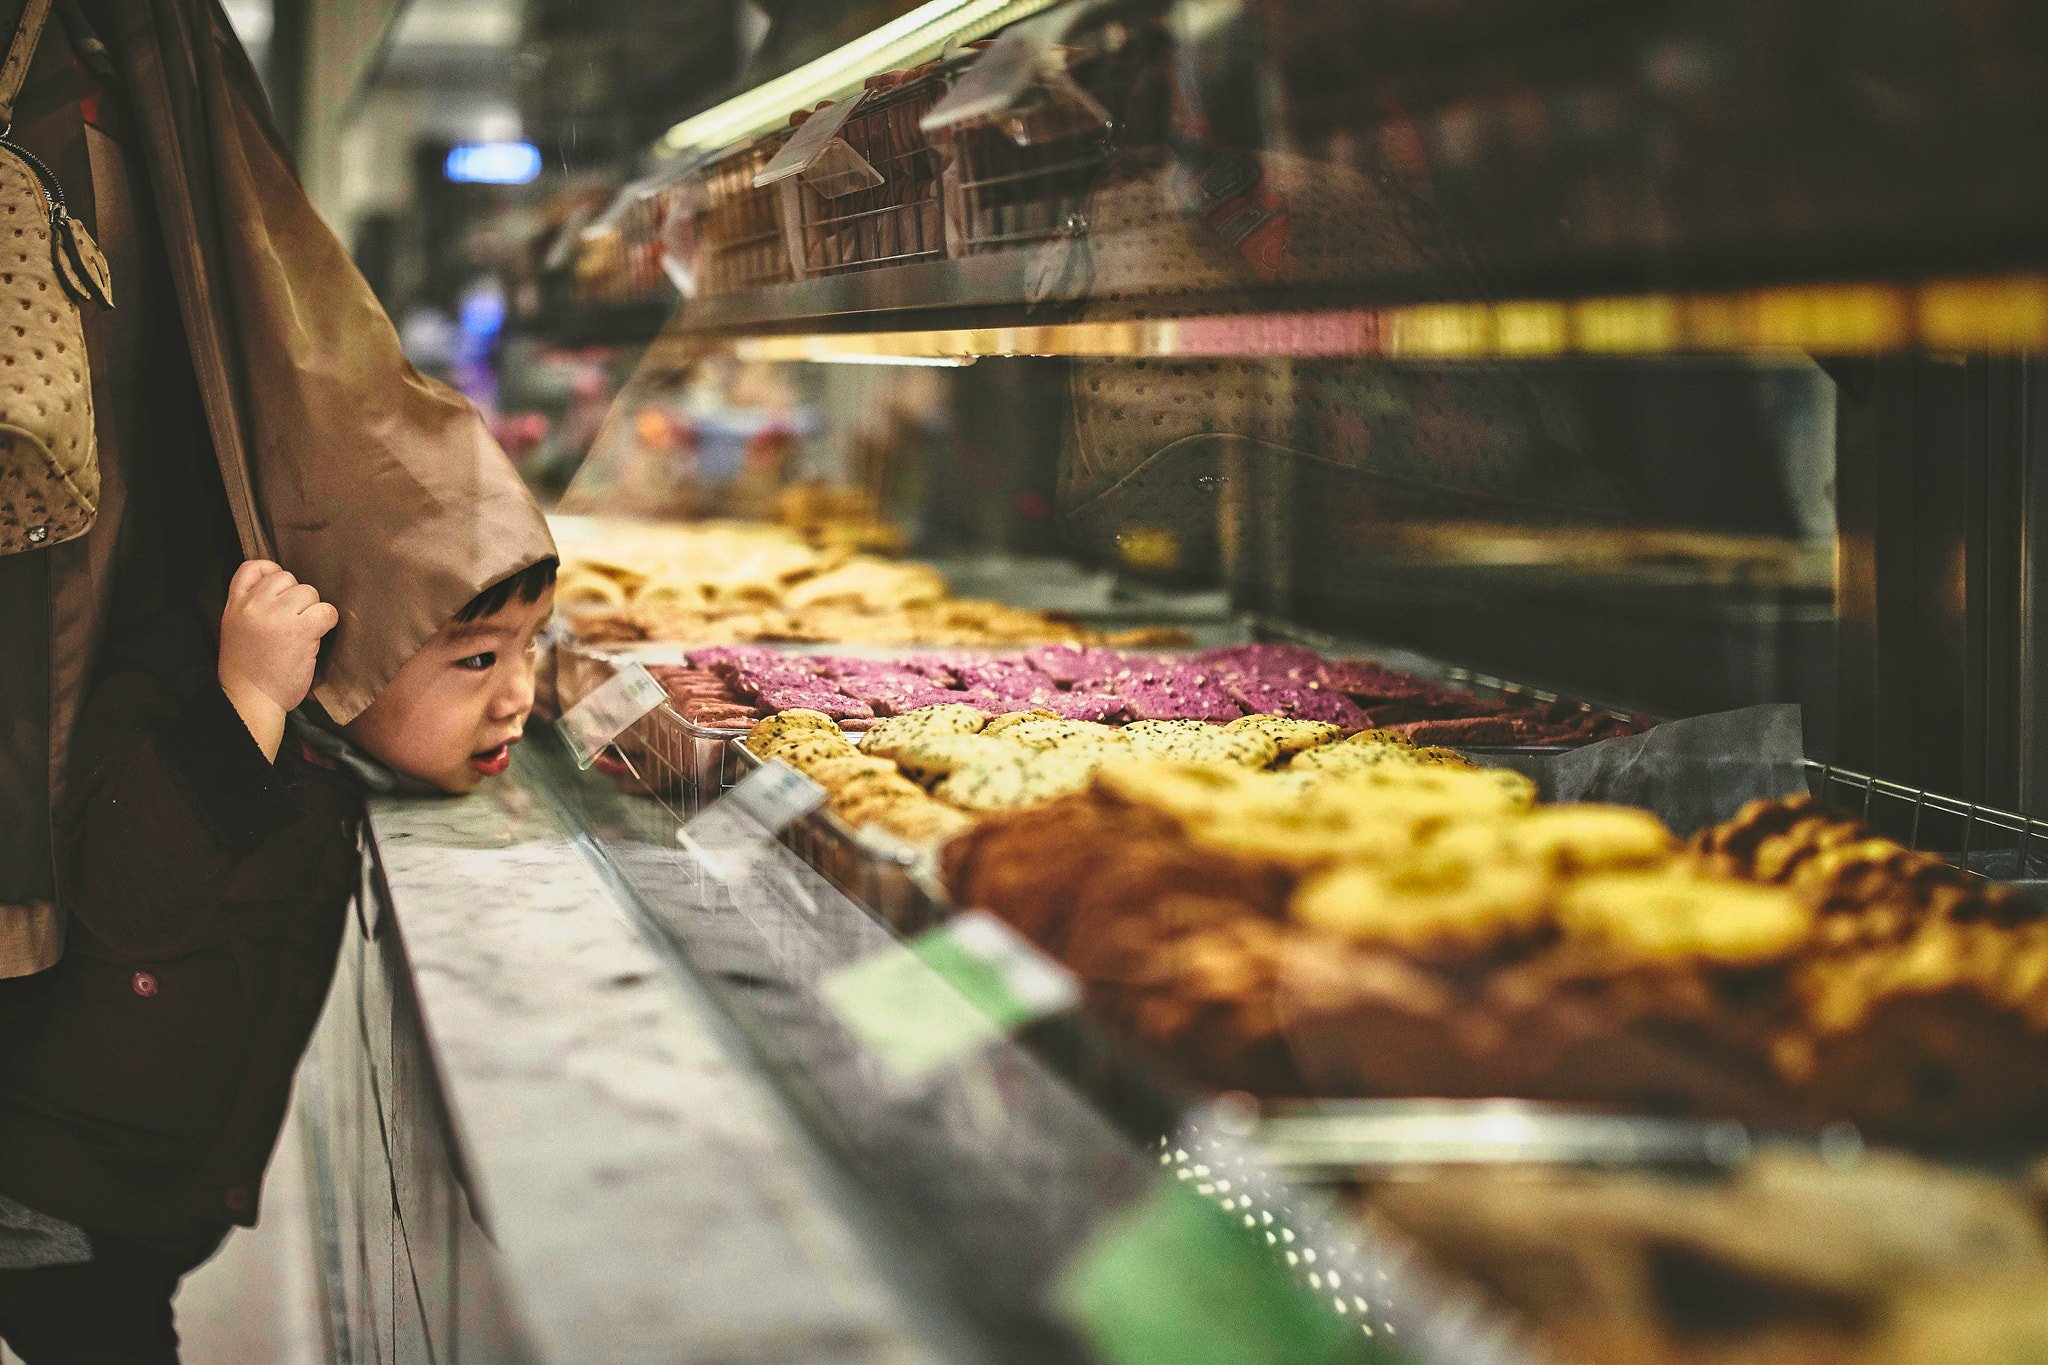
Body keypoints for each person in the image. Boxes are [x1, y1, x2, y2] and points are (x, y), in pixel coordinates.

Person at [0, 545, 555, 1360]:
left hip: (143, 1201)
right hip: (58, 1208)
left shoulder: (336, 742)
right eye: (479, 657)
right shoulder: (182, 692)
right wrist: (249, 696)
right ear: (348, 643)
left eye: (537, 642)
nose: (520, 696)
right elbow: (135, 891)